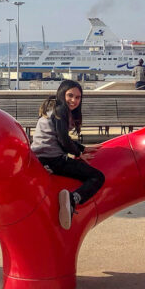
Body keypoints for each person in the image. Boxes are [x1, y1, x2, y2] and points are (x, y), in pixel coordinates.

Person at [31, 80, 105, 229]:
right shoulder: (61, 111)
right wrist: (78, 153)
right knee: (97, 177)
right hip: (53, 160)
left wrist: (82, 149)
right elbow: (63, 139)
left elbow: (60, 136)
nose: (74, 100)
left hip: (39, 157)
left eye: (78, 97)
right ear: (61, 94)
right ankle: (72, 199)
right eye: (70, 95)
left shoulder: (53, 108)